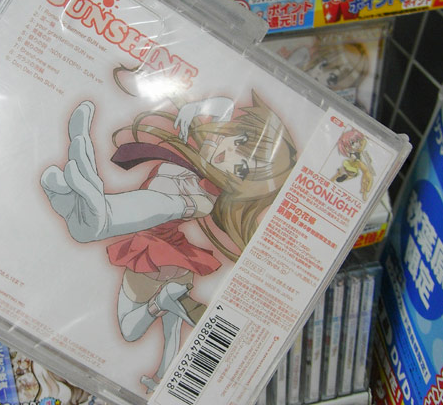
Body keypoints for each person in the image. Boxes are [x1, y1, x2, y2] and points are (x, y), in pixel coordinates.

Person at [41, 91, 297, 393]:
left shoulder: (207, 190)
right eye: (240, 142)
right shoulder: (208, 145)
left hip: (156, 251)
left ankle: (103, 216)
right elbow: (226, 107)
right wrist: (198, 107)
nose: (231, 157)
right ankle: (163, 362)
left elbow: (162, 204)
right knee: (165, 326)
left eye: (241, 170)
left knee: (131, 327)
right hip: (171, 260)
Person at [331, 128, 374, 201]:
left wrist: (362, 137)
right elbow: (357, 153)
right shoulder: (353, 153)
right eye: (352, 143)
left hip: (352, 166)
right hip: (352, 166)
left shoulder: (357, 151)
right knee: (345, 174)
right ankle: (340, 177)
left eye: (357, 141)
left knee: (348, 174)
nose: (357, 144)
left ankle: (342, 176)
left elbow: (363, 143)